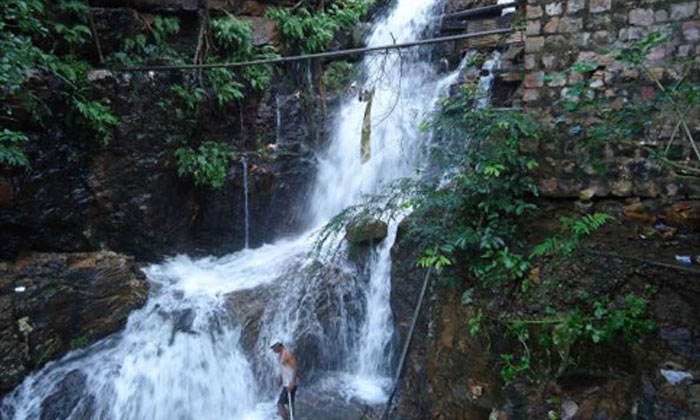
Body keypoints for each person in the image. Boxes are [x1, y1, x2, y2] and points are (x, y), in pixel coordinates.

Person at [270, 339, 298, 420]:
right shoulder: (281, 354)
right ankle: (291, 418)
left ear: (279, 345)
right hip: (286, 382)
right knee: (289, 404)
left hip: (290, 383)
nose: (273, 350)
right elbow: (284, 368)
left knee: (280, 404)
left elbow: (295, 367)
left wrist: (292, 383)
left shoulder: (287, 353)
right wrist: (280, 378)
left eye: (273, 348)